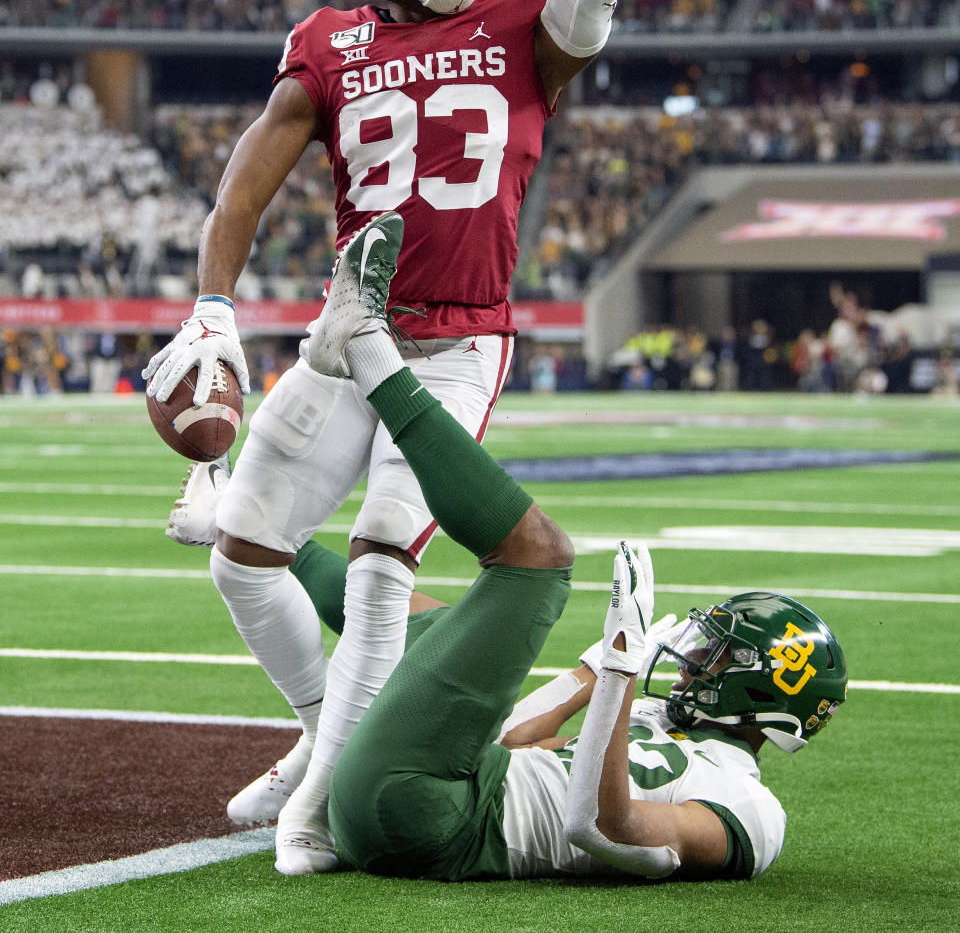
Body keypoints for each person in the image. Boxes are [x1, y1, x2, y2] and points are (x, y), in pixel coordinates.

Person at [144, 0, 732, 875]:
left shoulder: (519, 24)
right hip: (342, 326)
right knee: (241, 551)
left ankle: (320, 804)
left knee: (378, 560)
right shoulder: (330, 43)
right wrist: (213, 307)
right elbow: (245, 179)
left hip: (457, 336)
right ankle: (330, 734)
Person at [238, 216, 847, 881]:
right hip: (431, 787)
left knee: (542, 558)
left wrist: (615, 671)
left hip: (427, 817)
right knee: (442, 625)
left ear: (762, 693)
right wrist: (591, 672)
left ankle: (366, 344)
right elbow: (512, 735)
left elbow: (605, 826)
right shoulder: (653, 717)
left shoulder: (752, 812)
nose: (692, 662)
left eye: (718, 656)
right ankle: (259, 534)